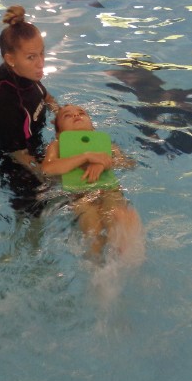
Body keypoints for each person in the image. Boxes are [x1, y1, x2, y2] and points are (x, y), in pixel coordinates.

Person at [42, 104, 144, 264]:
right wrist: (86, 157)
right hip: (79, 194)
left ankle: (124, 247)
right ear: (59, 133)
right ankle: (97, 265)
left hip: (109, 190)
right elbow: (47, 169)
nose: (76, 116)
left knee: (114, 212)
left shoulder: (107, 145)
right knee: (91, 223)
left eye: (81, 113)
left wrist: (104, 162)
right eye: (67, 115)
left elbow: (128, 164)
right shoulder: (56, 145)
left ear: (92, 126)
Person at [0, 5, 60, 184]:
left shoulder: (26, 75)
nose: (41, 63)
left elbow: (47, 98)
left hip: (35, 144)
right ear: (10, 59)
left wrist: (62, 117)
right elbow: (18, 155)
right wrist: (51, 179)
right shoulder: (5, 105)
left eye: (42, 53)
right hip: (15, 164)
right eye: (31, 57)